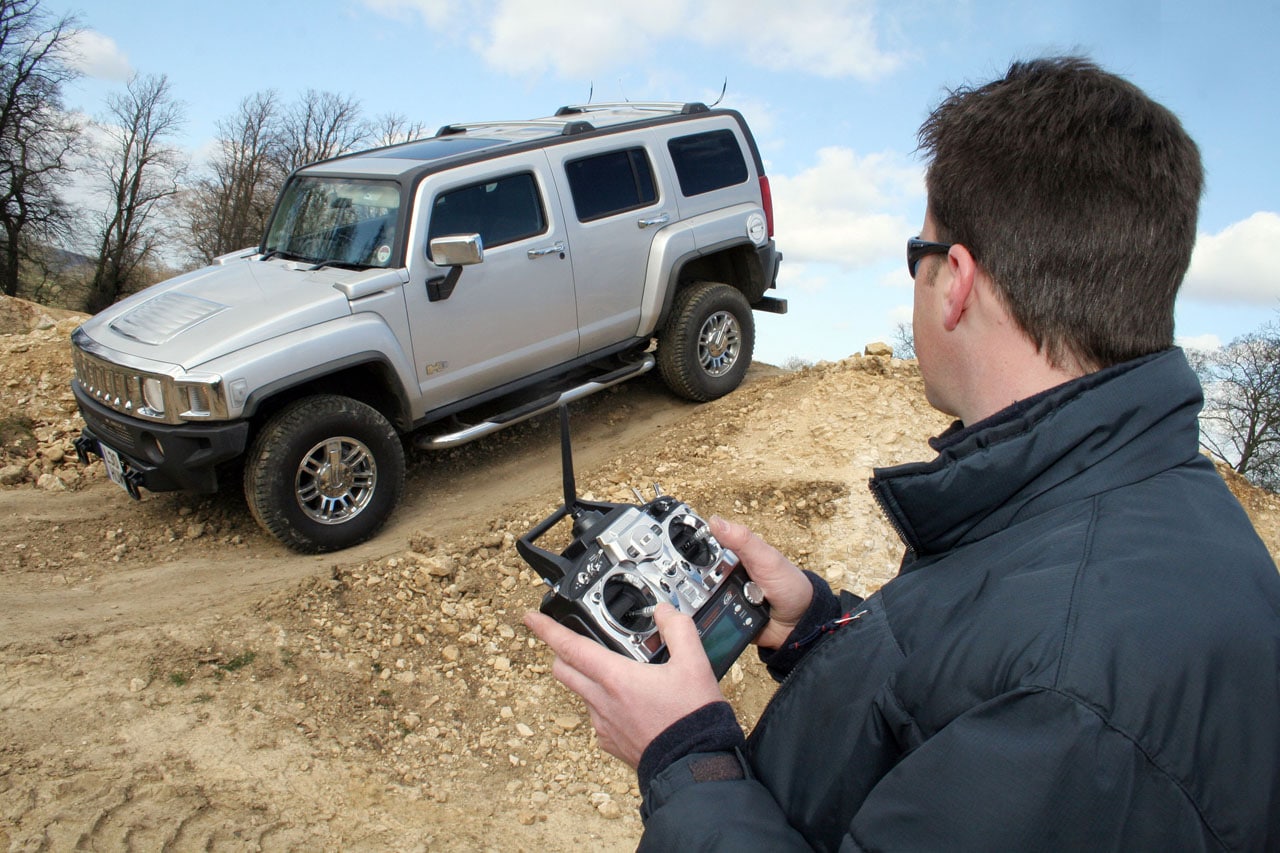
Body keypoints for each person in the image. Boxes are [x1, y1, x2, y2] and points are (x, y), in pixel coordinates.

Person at [524, 56, 1280, 850]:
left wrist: (685, 759)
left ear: (955, 280)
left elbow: (1032, 693)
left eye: (918, 252)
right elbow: (962, 689)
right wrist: (820, 627)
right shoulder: (1142, 507)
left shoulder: (1071, 707)